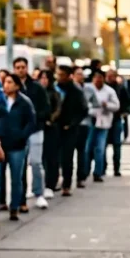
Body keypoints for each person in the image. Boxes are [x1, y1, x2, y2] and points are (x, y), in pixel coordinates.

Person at [0, 75, 36, 221]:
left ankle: (15, 206)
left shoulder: (24, 102)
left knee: (16, 177)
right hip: (0, 144)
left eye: (10, 82)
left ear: (17, 86)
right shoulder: (0, 100)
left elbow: (31, 122)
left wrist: (22, 136)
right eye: (5, 82)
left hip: (17, 146)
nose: (6, 85)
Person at [14, 58, 48, 213]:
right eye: (18, 67)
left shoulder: (36, 87)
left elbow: (45, 108)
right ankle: (21, 198)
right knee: (20, 165)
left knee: (35, 162)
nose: (20, 70)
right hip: (19, 130)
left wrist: (34, 119)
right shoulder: (12, 87)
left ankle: (39, 192)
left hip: (35, 129)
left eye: (23, 67)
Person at [54, 65, 89, 196]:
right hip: (55, 127)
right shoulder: (54, 88)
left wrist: (72, 123)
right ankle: (53, 181)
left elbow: (83, 110)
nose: (59, 77)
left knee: (67, 157)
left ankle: (66, 185)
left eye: (61, 75)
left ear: (68, 76)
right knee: (53, 157)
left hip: (70, 128)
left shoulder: (76, 91)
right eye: (58, 74)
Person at [86, 72, 121, 182]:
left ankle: (98, 172)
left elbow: (116, 106)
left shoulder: (109, 91)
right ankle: (85, 171)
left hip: (104, 122)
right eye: (96, 78)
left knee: (100, 148)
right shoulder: (88, 89)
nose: (98, 81)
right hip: (90, 122)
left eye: (100, 78)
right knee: (87, 148)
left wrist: (107, 105)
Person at [36, 70, 61, 208]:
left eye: (46, 78)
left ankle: (50, 184)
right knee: (39, 159)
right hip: (39, 127)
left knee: (51, 157)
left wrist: (50, 119)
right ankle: (40, 185)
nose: (44, 80)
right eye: (42, 78)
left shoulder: (54, 93)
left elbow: (58, 109)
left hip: (51, 128)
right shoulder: (37, 92)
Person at [105, 70, 130, 177]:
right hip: (104, 119)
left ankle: (116, 167)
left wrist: (124, 112)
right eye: (108, 76)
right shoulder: (103, 87)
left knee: (116, 144)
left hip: (116, 118)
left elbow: (126, 101)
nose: (110, 78)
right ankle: (103, 166)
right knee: (103, 145)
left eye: (112, 76)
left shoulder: (120, 87)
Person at [74, 66, 93, 188]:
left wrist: (89, 109)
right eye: (78, 74)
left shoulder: (88, 89)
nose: (81, 76)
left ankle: (81, 177)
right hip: (71, 124)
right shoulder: (69, 88)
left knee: (82, 151)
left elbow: (95, 104)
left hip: (84, 123)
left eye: (82, 74)